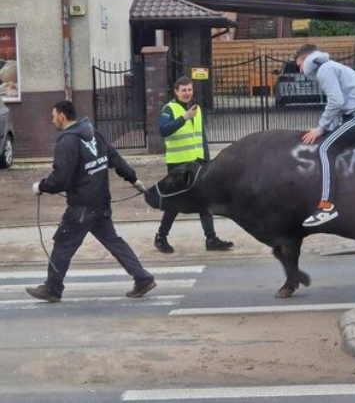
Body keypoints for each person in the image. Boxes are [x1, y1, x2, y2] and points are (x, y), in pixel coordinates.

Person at [26, 101, 156, 303]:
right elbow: (114, 157)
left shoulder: (67, 141)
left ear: (62, 116)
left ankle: (52, 288)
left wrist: (41, 187)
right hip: (101, 202)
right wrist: (133, 178)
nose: (52, 120)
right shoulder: (93, 133)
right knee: (113, 241)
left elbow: (60, 179)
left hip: (82, 205)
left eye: (53, 116)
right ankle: (143, 278)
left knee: (63, 244)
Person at [294, 44, 355, 227]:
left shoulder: (325, 69)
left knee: (325, 148)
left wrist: (321, 128)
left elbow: (336, 101)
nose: (300, 71)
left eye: (299, 65)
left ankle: (326, 206)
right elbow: (342, 107)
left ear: (308, 60)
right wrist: (329, 127)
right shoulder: (334, 67)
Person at [154, 76, 234, 253]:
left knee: (204, 200)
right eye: (183, 90)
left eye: (189, 89)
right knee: (175, 203)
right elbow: (163, 130)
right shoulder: (170, 109)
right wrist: (183, 118)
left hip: (197, 162)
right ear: (176, 92)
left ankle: (211, 239)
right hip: (178, 164)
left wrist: (206, 159)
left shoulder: (196, 108)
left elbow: (200, 136)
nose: (187, 93)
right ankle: (161, 237)